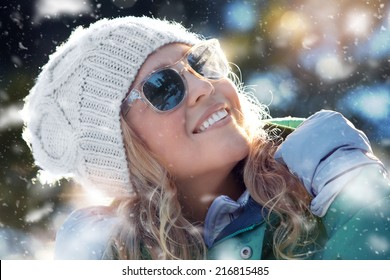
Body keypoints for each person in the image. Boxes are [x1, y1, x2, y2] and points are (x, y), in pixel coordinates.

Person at [22, 16, 390, 260]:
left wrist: (360, 195)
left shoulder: (321, 180)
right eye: (163, 87)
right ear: (119, 147)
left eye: (200, 63)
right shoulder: (117, 254)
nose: (202, 86)